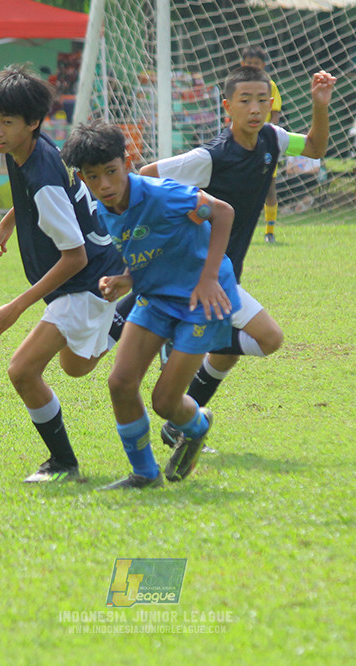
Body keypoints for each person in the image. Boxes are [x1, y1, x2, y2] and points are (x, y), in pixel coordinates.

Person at [140, 65, 335, 450]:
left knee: (224, 357)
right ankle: (179, 347)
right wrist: (185, 213)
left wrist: (320, 105)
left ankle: (181, 424)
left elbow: (315, 148)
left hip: (227, 273)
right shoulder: (210, 157)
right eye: (245, 100)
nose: (256, 108)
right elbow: (146, 176)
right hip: (197, 272)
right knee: (268, 338)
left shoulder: (272, 139)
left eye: (263, 100)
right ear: (228, 107)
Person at [59, 119, 238, 490]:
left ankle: (197, 424)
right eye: (93, 177)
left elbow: (223, 212)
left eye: (111, 172)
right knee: (121, 383)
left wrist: (207, 279)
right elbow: (149, 252)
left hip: (201, 299)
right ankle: (145, 474)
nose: (105, 185)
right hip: (156, 295)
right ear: (83, 179)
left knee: (164, 402)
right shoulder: (106, 209)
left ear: (127, 162)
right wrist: (127, 279)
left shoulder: (164, 194)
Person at [0, 65, 126, 484]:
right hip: (96, 276)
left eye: (7, 122)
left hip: (84, 280)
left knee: (22, 371)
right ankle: (123, 315)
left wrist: (16, 307)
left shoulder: (42, 173)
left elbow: (73, 256)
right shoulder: (28, 150)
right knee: (75, 367)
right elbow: (36, 195)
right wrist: (7, 223)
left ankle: (63, 464)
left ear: (33, 123)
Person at [240, 45, 285, 243]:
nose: (252, 67)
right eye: (249, 64)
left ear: (263, 66)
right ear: (242, 65)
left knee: (269, 189)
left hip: (263, 143)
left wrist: (266, 133)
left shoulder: (270, 85)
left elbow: (275, 113)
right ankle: (240, 229)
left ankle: (270, 232)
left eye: (256, 64)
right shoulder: (238, 86)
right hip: (242, 142)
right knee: (241, 187)